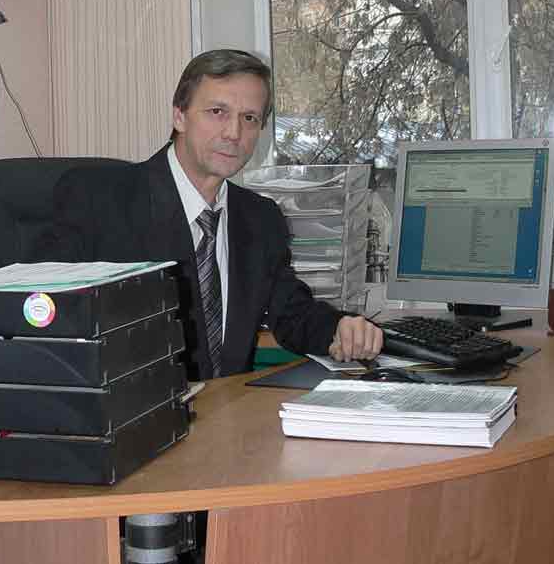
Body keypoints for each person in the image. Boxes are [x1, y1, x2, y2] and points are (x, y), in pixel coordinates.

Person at [37, 49, 382, 380]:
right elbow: (42, 316)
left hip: (228, 411)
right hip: (135, 410)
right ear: (179, 116)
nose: (234, 133)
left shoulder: (260, 218)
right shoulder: (99, 202)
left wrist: (340, 328)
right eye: (218, 112)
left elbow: (292, 313)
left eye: (249, 118)